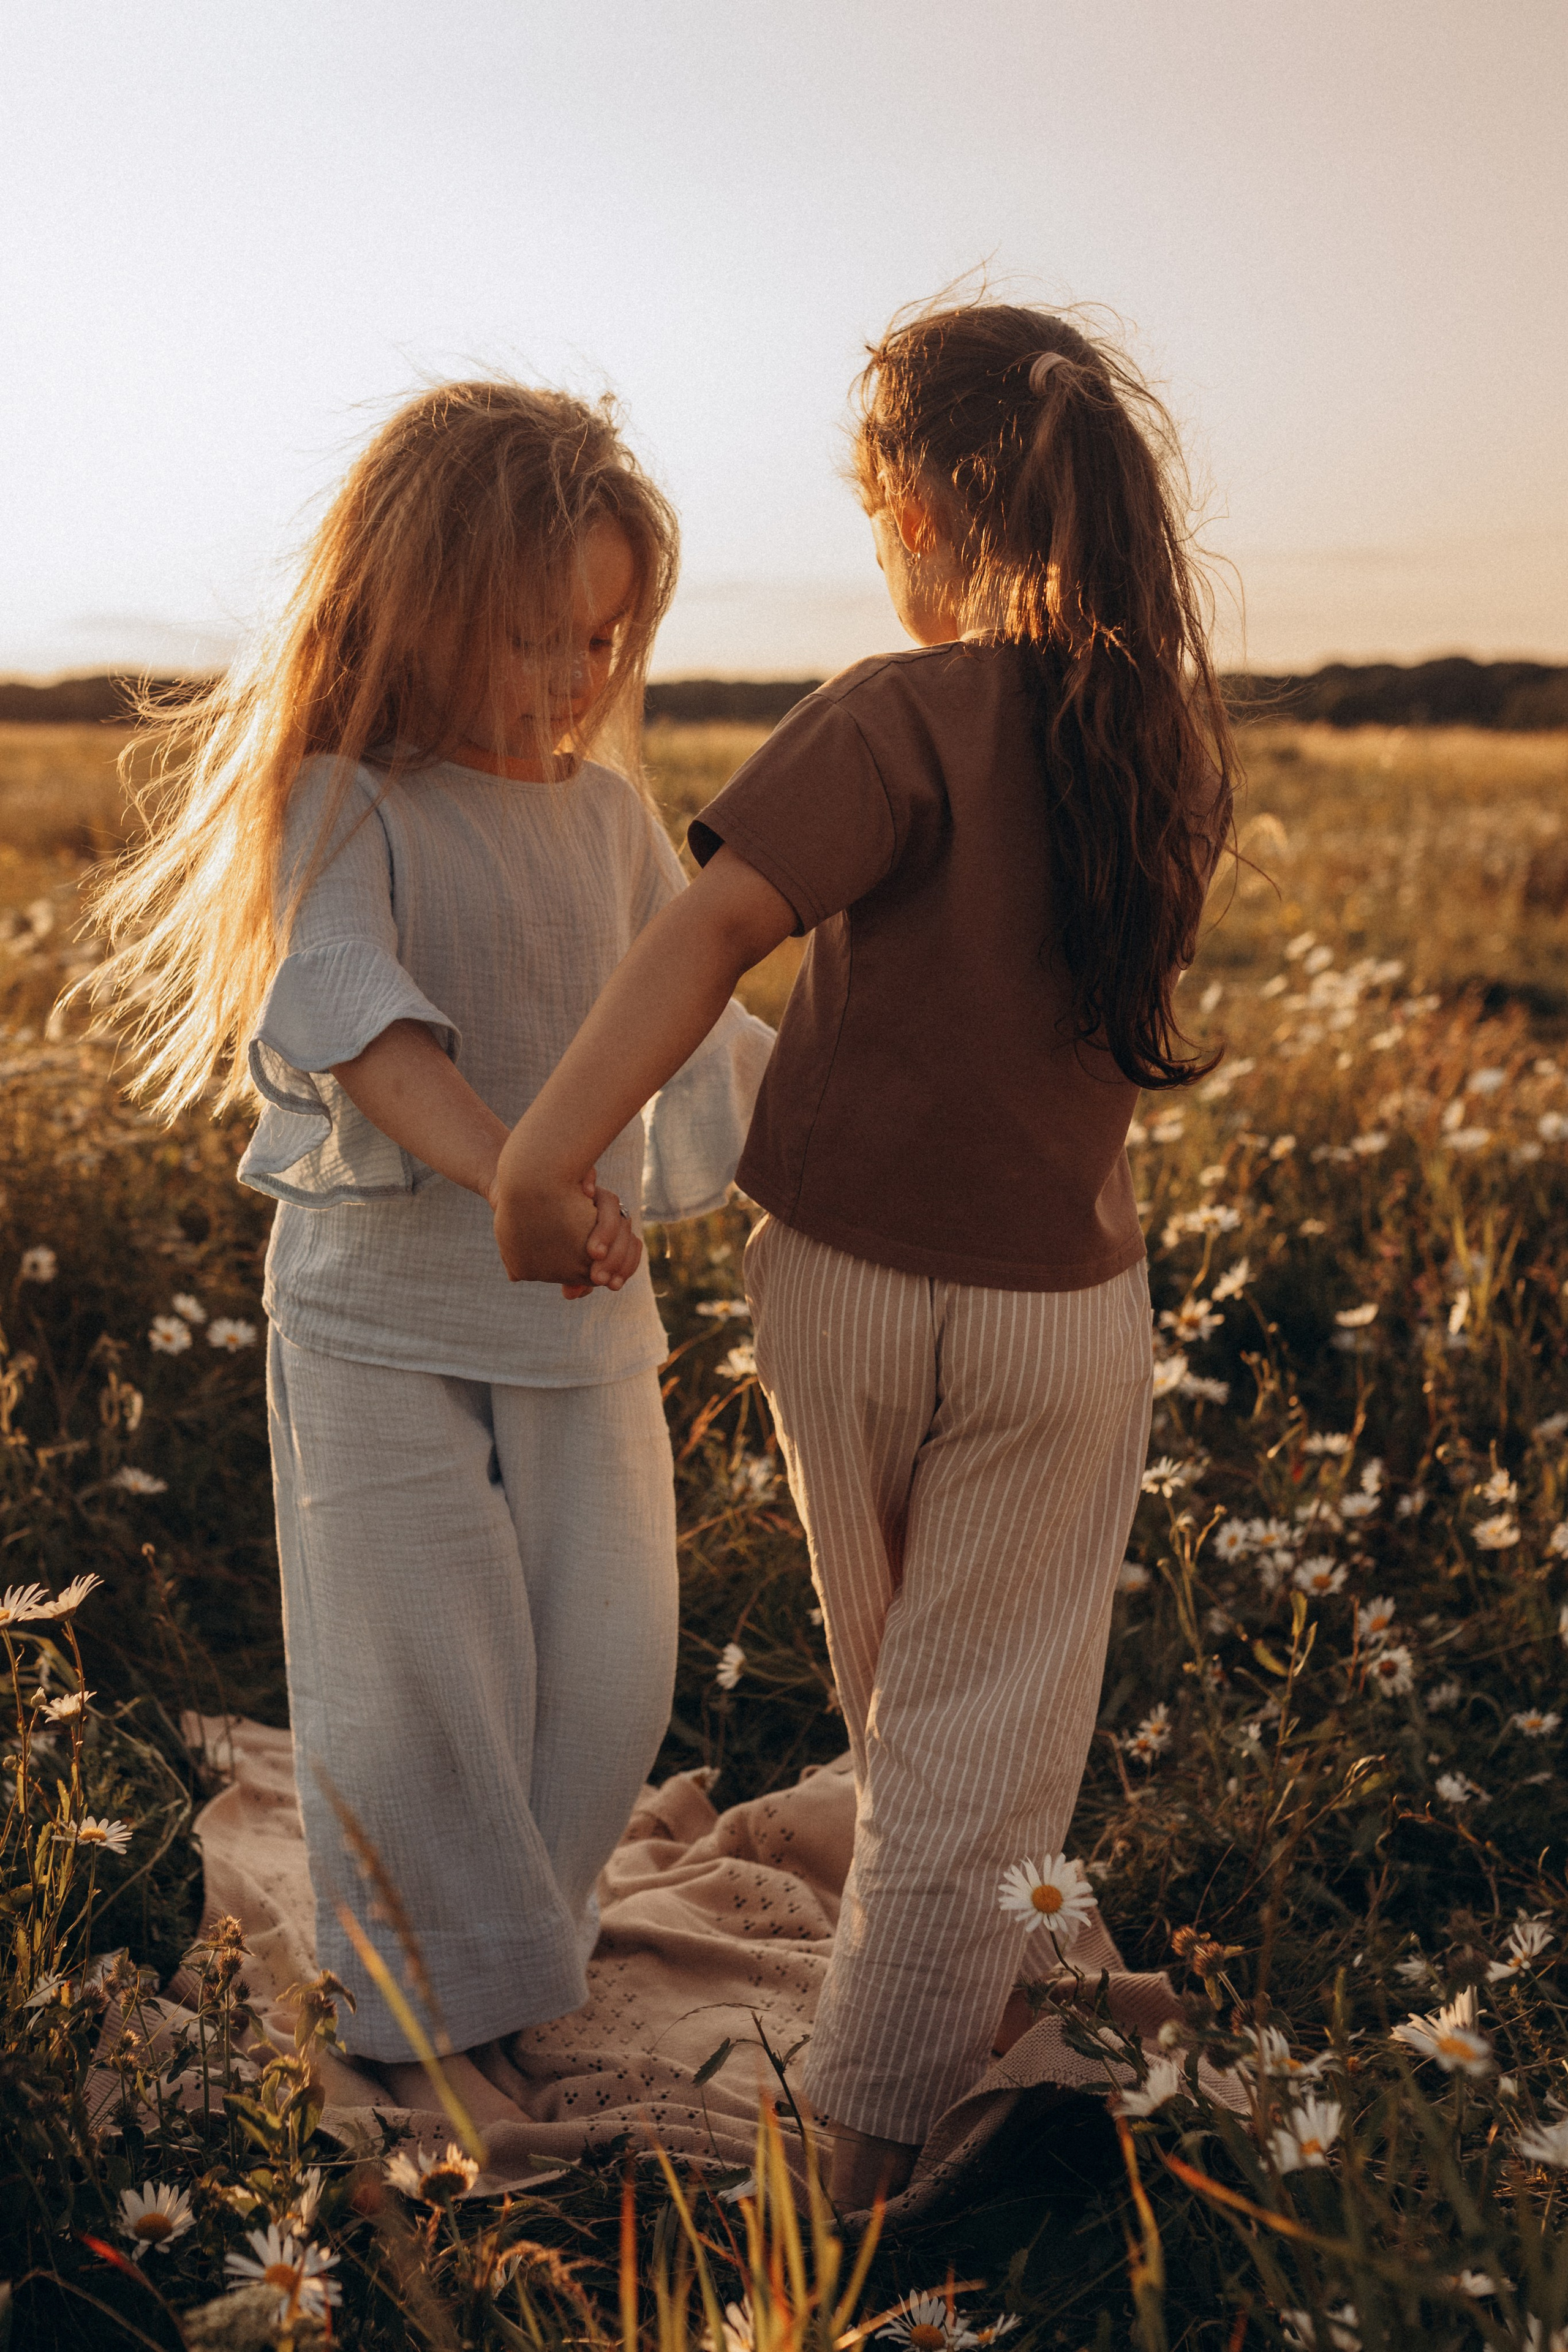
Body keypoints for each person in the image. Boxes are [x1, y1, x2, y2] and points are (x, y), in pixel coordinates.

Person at [490, 301, 1235, 2203]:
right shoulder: (1152, 739)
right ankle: (880, 2111)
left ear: (914, 502)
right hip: (1059, 1310)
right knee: (978, 1718)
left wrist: (543, 1154)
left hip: (841, 1287)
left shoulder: (892, 712)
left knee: (906, 1687)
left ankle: (855, 2122)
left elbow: (710, 930)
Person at [83, 380, 773, 2133]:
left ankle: (517, 1965)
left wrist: (885, 1119)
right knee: (417, 1672)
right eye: (537, 635)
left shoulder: (613, 828)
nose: (575, 679)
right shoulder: (347, 801)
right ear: (422, 609)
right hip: (380, 1320)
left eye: (605, 640)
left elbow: (705, 1041)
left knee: (610, 1665)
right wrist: (510, 1174)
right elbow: (360, 1026)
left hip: (582, 1332)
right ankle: (412, 2010)